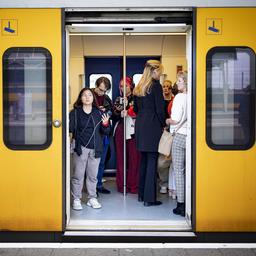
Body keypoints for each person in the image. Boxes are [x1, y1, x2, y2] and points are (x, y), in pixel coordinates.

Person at [69, 88, 110, 210]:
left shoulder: (99, 113)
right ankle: (76, 198)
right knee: (78, 175)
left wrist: (106, 124)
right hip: (81, 147)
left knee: (93, 176)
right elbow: (70, 129)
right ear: (80, 98)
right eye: (84, 95)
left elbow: (106, 131)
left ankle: (92, 198)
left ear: (93, 98)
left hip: (96, 148)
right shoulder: (75, 113)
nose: (87, 97)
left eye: (90, 95)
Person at [133, 60, 166, 207]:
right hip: (152, 127)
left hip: (140, 126)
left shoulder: (139, 87)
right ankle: (150, 198)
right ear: (154, 71)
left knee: (144, 162)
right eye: (160, 72)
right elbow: (160, 110)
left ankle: (141, 195)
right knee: (152, 162)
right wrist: (164, 124)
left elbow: (135, 110)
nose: (160, 74)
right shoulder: (156, 86)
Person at [112, 77, 140, 193]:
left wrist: (128, 109)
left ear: (131, 86)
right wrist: (119, 112)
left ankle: (133, 185)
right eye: (121, 86)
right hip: (120, 130)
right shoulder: (118, 99)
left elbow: (138, 112)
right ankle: (121, 184)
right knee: (121, 160)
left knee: (135, 159)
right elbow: (114, 115)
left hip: (134, 131)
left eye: (126, 86)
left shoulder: (137, 98)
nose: (123, 88)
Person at [166, 71, 187, 216]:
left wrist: (168, 121)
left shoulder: (179, 97)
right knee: (190, 171)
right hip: (191, 137)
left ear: (186, 82)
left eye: (179, 81)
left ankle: (181, 204)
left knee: (178, 171)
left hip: (179, 136)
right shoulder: (193, 95)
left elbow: (175, 119)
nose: (177, 83)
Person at [92, 76, 113, 194]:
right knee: (92, 163)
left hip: (104, 133)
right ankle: (91, 187)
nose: (101, 93)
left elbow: (112, 112)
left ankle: (99, 185)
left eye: (105, 91)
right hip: (92, 135)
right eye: (100, 90)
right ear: (96, 86)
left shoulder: (106, 98)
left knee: (102, 162)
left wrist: (107, 111)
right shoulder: (88, 94)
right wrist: (96, 110)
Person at [158, 80, 174, 195]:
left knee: (173, 161)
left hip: (174, 131)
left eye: (168, 87)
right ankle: (163, 183)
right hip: (163, 133)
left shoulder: (175, 100)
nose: (165, 89)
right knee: (162, 161)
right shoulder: (159, 100)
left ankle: (173, 185)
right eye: (164, 87)